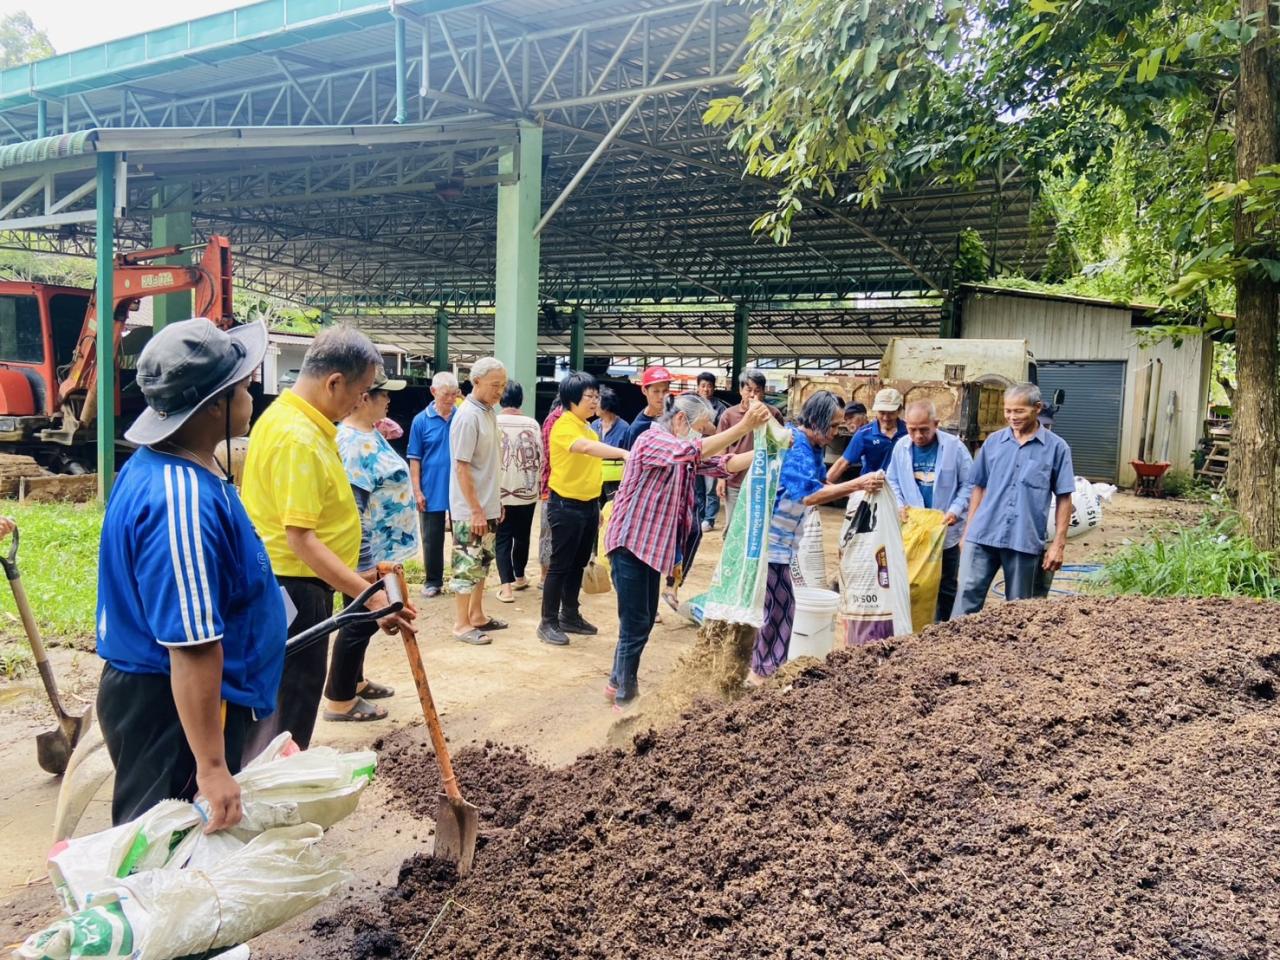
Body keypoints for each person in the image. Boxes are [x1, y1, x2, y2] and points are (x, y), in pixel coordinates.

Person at [95, 318, 284, 829]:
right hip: (171, 710)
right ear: (217, 403)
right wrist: (212, 765)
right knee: (161, 852)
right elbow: (192, 644)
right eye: (245, 387)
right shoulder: (180, 501)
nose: (252, 398)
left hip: (180, 702)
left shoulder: (181, 468)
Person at [241, 327, 413, 758]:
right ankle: (282, 799)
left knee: (288, 703)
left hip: (301, 582)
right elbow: (301, 539)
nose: (361, 402)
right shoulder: (297, 437)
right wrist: (370, 597)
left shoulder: (300, 420)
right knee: (291, 710)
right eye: (359, 391)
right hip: (296, 586)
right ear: (334, 381)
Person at [605, 393, 771, 706]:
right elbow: (692, 450)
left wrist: (766, 451)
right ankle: (625, 697)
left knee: (636, 620)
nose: (701, 433)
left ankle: (616, 682)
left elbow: (725, 464)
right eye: (699, 427)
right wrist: (743, 427)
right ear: (680, 420)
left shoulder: (681, 449)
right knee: (636, 623)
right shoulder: (653, 441)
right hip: (630, 545)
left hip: (649, 548)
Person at [751, 391, 886, 684]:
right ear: (818, 420)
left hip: (782, 545)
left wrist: (856, 483)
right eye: (835, 425)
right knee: (779, 609)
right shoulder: (796, 446)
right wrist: (857, 483)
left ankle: (766, 670)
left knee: (781, 608)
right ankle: (763, 674)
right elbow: (810, 494)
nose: (837, 432)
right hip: (769, 544)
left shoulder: (811, 447)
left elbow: (819, 483)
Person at [323, 369, 418, 722]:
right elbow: (354, 511)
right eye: (383, 394)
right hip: (368, 556)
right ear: (363, 398)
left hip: (382, 554)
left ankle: (355, 681)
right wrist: (362, 566)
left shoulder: (370, 433)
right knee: (359, 621)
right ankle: (340, 699)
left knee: (362, 620)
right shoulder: (352, 442)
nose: (390, 400)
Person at [953, 383, 1075, 616]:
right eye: (1008, 411)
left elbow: (1064, 497)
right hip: (983, 535)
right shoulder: (993, 443)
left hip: (1024, 539)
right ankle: (953, 651)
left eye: (1019, 411)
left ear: (1037, 408)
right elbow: (978, 487)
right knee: (965, 600)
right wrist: (967, 532)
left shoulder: (1057, 448)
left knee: (1019, 610)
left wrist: (1058, 544)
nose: (1012, 416)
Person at [540, 372, 630, 647]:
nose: (594, 402)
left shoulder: (587, 426)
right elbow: (587, 449)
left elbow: (592, 459)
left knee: (578, 564)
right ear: (571, 400)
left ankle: (570, 615)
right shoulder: (565, 425)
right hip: (565, 505)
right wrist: (624, 453)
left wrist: (597, 507)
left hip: (589, 505)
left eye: (595, 396)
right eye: (588, 397)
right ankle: (548, 622)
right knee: (559, 566)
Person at [885, 400, 974, 622]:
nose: (917, 436)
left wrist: (955, 509)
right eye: (912, 429)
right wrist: (899, 504)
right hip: (913, 530)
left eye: (924, 429)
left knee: (946, 584)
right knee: (912, 579)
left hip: (946, 530)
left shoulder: (955, 447)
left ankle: (943, 630)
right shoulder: (901, 447)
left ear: (936, 424)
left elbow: (969, 484)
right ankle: (911, 626)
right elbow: (892, 480)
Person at [449, 358, 509, 645]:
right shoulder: (467, 416)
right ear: (476, 383)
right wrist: (475, 509)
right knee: (466, 564)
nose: (500, 391)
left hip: (487, 506)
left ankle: (477, 615)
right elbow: (461, 467)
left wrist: (495, 503)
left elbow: (489, 463)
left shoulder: (488, 412)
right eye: (495, 385)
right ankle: (461, 624)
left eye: (503, 386)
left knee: (483, 563)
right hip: (470, 509)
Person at [407, 372, 460, 598]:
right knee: (432, 536)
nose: (450, 399)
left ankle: (461, 578)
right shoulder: (421, 420)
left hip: (459, 487)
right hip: (431, 486)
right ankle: (433, 580)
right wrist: (417, 490)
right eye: (445, 394)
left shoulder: (461, 417)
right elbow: (415, 459)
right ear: (433, 392)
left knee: (462, 535)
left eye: (454, 394)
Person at [715, 369, 784, 530]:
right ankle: (729, 554)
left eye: (757, 391)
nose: (753, 395)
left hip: (762, 480)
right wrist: (720, 479)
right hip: (735, 480)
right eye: (749, 390)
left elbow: (780, 445)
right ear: (740, 391)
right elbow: (722, 447)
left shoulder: (773, 414)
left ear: (763, 393)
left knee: (758, 526)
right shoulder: (729, 415)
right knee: (733, 526)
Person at [495, 381, 541, 604]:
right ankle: (520, 577)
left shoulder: (493, 422)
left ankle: (506, 588)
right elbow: (540, 456)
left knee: (502, 539)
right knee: (522, 537)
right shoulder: (532, 425)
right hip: (527, 492)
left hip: (500, 492)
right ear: (521, 399)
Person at [828, 388, 905, 483]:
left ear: (899, 410)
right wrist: (819, 491)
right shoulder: (864, 434)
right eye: (882, 413)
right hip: (872, 488)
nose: (886, 418)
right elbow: (843, 463)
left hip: (900, 489)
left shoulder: (908, 432)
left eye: (891, 413)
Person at [696, 372, 728, 533]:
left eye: (709, 386)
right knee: (697, 488)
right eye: (703, 386)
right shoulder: (692, 404)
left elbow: (722, 433)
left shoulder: (720, 408)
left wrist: (710, 428)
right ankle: (699, 517)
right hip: (694, 451)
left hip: (712, 451)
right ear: (698, 388)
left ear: (714, 388)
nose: (706, 389)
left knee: (711, 488)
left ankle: (709, 519)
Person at [592, 386, 629, 503]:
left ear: (606, 405)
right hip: (594, 479)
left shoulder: (624, 428)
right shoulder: (593, 425)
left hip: (615, 483)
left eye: (597, 400)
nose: (594, 404)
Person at [622, 365, 673, 449]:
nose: (661, 396)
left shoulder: (677, 417)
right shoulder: (638, 428)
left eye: (665, 391)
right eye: (656, 391)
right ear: (644, 391)